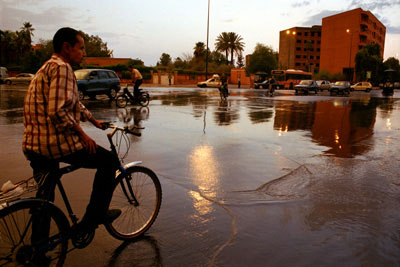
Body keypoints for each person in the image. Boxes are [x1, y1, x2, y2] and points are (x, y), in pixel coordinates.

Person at [23, 27, 121, 233]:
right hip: (53, 144)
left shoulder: (46, 68)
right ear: (67, 48)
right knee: (109, 161)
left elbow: (73, 103)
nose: (84, 53)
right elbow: (57, 111)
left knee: (44, 199)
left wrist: (94, 121)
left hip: (34, 146)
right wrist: (83, 134)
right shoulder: (62, 68)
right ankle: (93, 219)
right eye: (81, 48)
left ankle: (37, 253)